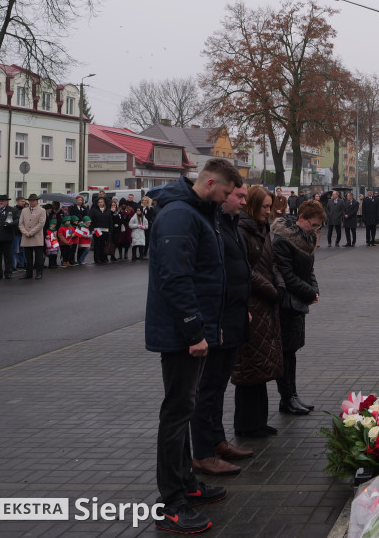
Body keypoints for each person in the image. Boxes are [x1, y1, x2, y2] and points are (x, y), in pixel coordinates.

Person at [145, 158, 243, 533]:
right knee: (176, 412)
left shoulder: (197, 212)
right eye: (224, 193)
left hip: (191, 331)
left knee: (183, 409)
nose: (225, 200)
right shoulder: (180, 215)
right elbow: (175, 278)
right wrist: (193, 331)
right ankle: (171, 502)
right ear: (211, 182)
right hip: (181, 335)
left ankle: (186, 485)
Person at [191, 182, 253, 477]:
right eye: (239, 196)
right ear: (223, 194)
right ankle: (203, 453)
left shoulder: (229, 223)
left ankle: (217, 441)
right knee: (207, 389)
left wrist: (244, 308)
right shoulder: (212, 224)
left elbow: (237, 272)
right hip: (216, 320)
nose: (244, 202)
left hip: (233, 317)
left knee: (218, 387)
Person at [233, 186, 285, 439]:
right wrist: (272, 289)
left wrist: (279, 284)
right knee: (250, 366)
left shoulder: (262, 231)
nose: (269, 211)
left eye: (270, 206)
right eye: (264, 206)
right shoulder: (242, 230)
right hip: (253, 304)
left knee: (262, 365)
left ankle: (259, 422)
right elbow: (245, 270)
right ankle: (246, 425)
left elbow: (271, 264)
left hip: (266, 304)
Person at [272, 199, 324, 415]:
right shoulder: (283, 240)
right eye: (313, 225)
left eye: (318, 226)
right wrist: (309, 292)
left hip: (298, 300)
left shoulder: (305, 238)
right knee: (285, 352)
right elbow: (287, 275)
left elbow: (309, 270)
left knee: (291, 351)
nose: (315, 230)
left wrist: (314, 289)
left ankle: (293, 396)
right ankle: (287, 398)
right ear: (301, 218)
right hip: (286, 302)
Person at [0, 194, 18, 279]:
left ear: (7, 202)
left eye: (3, 201)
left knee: (8, 256)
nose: (1, 202)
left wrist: (10, 223)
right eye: (0, 201)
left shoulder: (12, 210)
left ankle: (8, 273)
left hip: (7, 237)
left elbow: (17, 220)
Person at [18, 194, 46, 280]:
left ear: (37, 201)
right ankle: (28, 273)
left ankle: (39, 273)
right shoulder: (24, 210)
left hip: (36, 236)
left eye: (33, 200)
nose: (32, 202)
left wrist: (31, 232)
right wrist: (25, 232)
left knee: (38, 257)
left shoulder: (42, 210)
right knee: (28, 257)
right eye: (30, 201)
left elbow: (41, 224)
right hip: (26, 236)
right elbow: (20, 223)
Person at [89, 197, 112, 265]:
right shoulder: (93, 210)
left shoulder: (107, 210)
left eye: (101, 202)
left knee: (103, 244)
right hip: (97, 230)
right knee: (97, 244)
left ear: (104, 203)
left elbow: (110, 221)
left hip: (105, 230)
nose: (100, 203)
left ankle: (103, 258)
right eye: (99, 202)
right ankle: (97, 258)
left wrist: (110, 230)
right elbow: (90, 221)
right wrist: (91, 229)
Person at [11, 195, 26, 272]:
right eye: (22, 201)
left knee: (22, 250)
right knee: (14, 250)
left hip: (23, 233)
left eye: (24, 201)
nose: (24, 203)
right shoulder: (13, 210)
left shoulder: (25, 210)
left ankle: (21, 264)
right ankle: (13, 266)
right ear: (17, 201)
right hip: (16, 233)